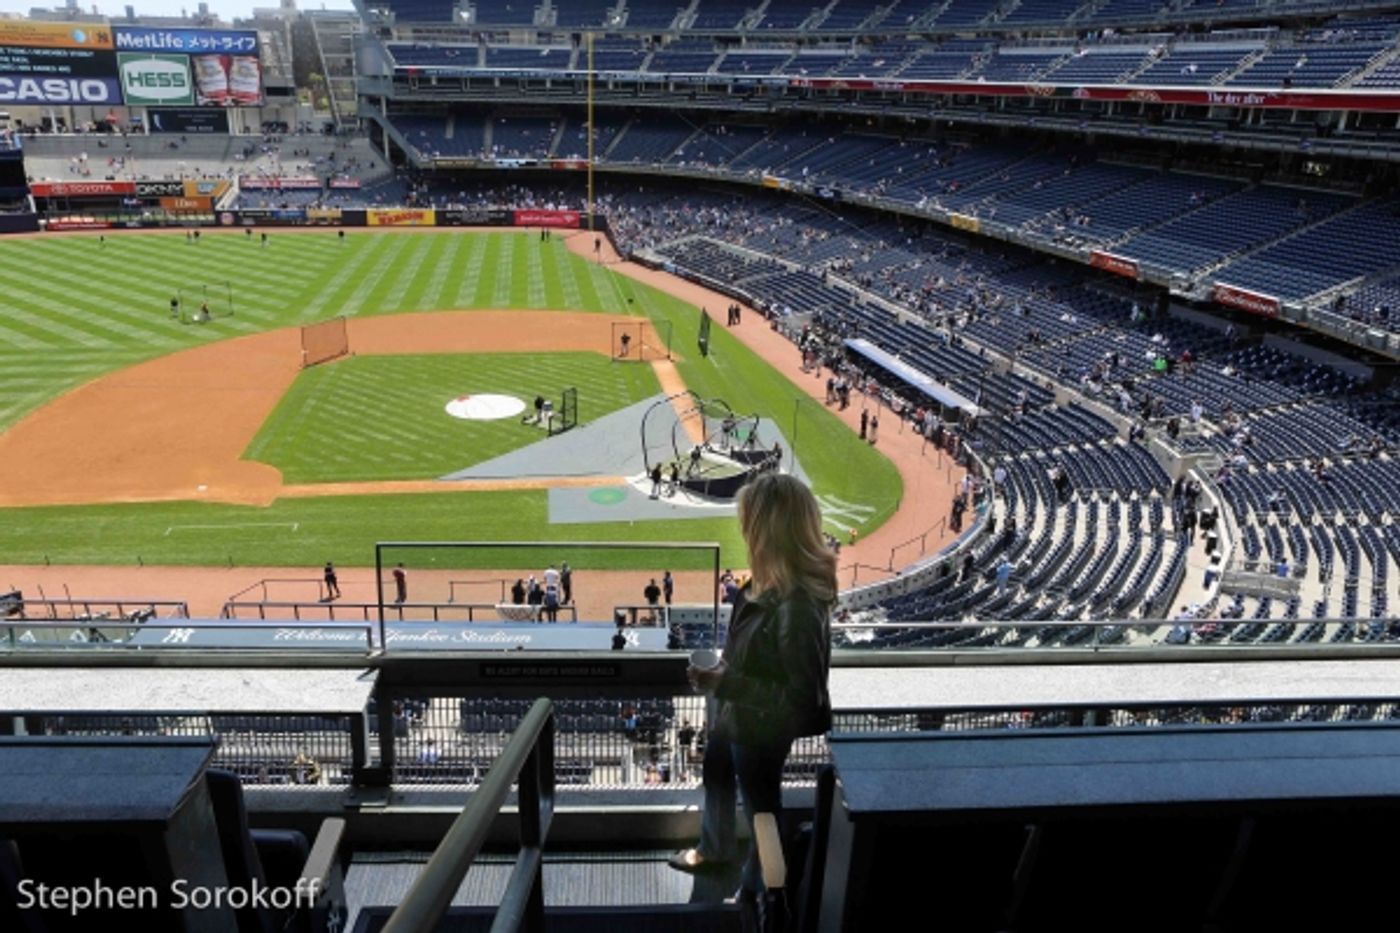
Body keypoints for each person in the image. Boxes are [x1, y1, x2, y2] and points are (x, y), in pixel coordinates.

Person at [683, 473, 835, 896]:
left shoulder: (798, 606)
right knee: (715, 773)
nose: (743, 530)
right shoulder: (766, 583)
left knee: (762, 816)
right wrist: (726, 675)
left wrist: (726, 682)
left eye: (749, 521)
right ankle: (714, 851)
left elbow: (803, 699)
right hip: (736, 715)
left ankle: (760, 898)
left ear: (768, 530)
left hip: (761, 730)